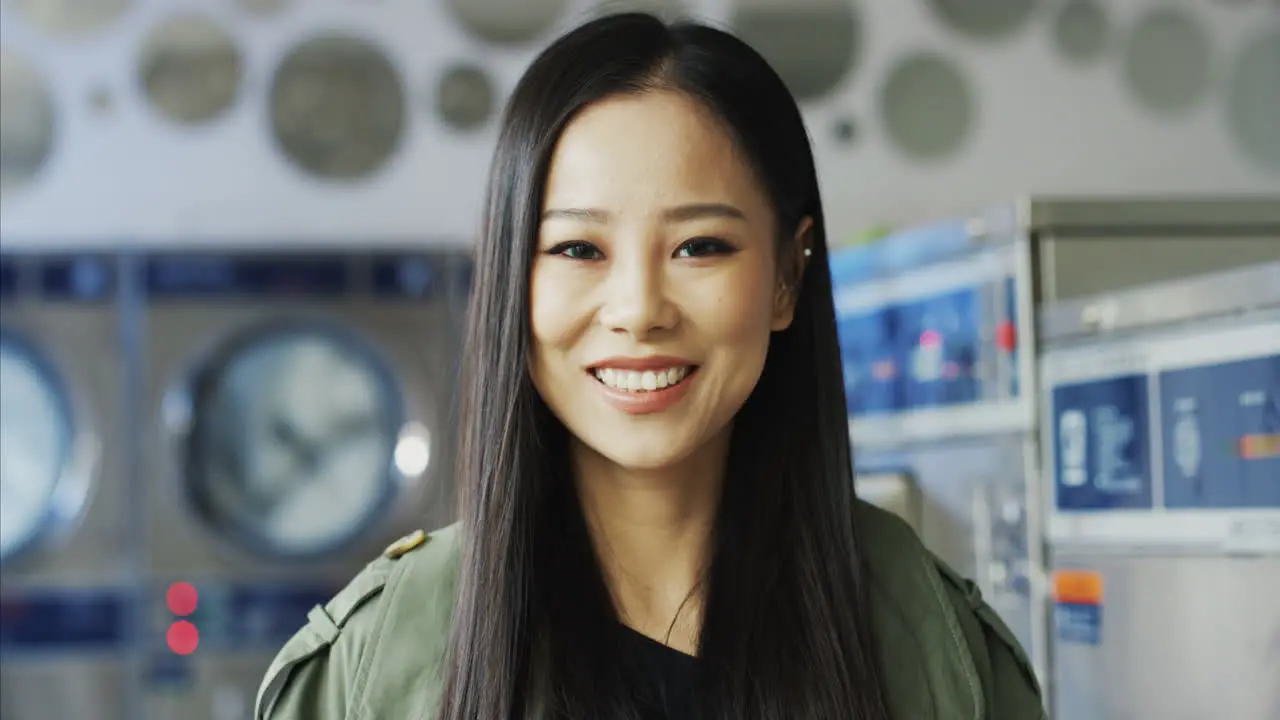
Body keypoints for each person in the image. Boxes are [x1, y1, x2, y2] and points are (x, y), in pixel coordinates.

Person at [253, 12, 1046, 720]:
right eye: (577, 249)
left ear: (785, 277)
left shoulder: (930, 639)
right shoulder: (369, 665)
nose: (638, 308)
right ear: (507, 282)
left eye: (700, 246)